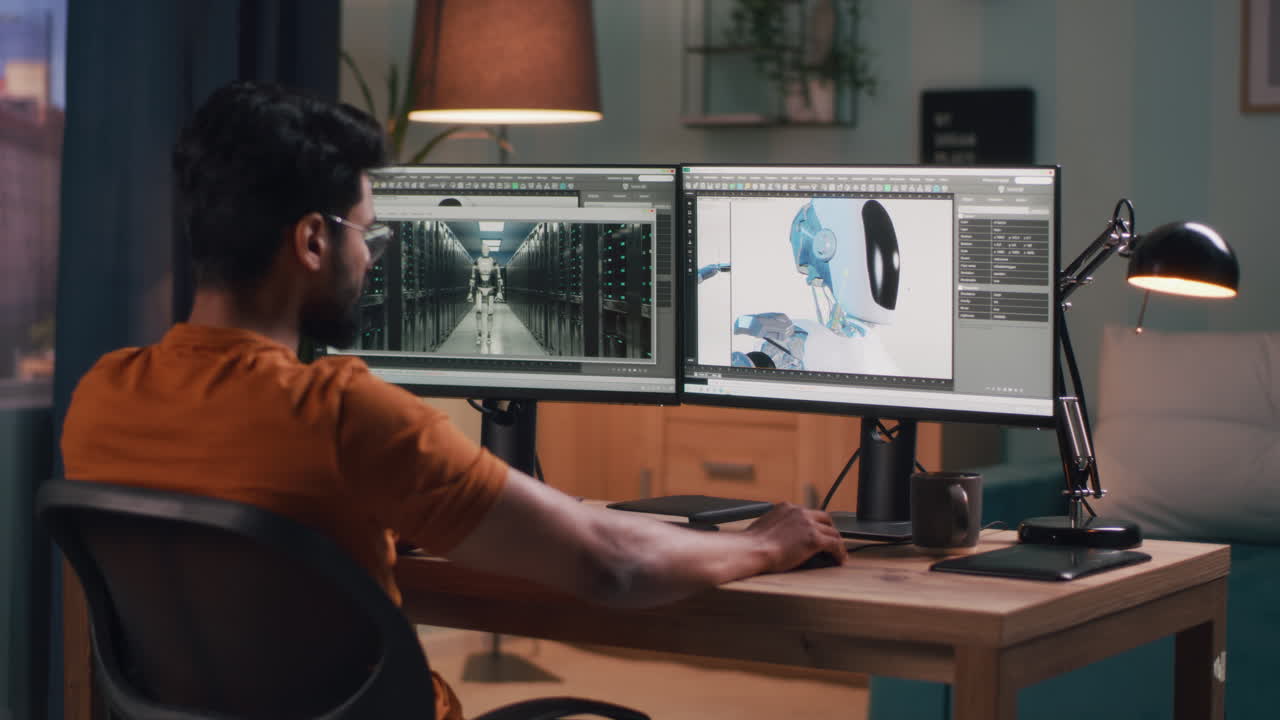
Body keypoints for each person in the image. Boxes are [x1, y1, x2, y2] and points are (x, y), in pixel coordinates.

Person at [60, 81, 847, 720]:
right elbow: (612, 568)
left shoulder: (100, 398)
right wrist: (766, 544)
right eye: (366, 234)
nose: (371, 259)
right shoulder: (343, 415)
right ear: (310, 242)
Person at [467, 244, 503, 348]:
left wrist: (500, 291)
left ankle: (489, 336)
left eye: (486, 249)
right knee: (478, 310)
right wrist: (470, 292)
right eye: (483, 249)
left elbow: (499, 278)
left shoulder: (493, 261)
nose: (485, 250)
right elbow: (472, 278)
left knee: (490, 313)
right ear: (481, 250)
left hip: (490, 288)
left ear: (489, 250)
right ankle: (479, 335)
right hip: (479, 287)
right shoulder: (477, 261)